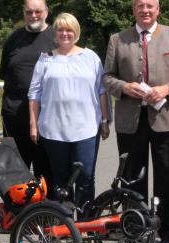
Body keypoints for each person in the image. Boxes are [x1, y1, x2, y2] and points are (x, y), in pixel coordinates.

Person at [103, 0, 169, 243]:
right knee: (132, 177)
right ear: (133, 10)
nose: (145, 10)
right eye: (140, 6)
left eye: (150, 6)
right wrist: (123, 87)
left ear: (158, 9)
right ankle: (134, 229)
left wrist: (167, 89)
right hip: (131, 119)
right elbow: (107, 77)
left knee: (166, 175)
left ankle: (167, 231)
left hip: (166, 118)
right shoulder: (117, 40)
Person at [27, 13, 110, 213]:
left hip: (86, 129)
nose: (65, 34)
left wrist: (106, 120)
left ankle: (86, 221)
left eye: (69, 29)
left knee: (85, 177)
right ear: (55, 33)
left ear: (76, 32)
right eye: (61, 29)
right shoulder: (45, 59)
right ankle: (64, 223)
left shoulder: (91, 58)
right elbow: (34, 93)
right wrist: (33, 123)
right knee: (60, 179)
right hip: (54, 129)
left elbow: (102, 90)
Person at [0, 0, 56, 181]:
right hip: (15, 117)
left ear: (46, 12)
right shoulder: (13, 40)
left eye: (38, 11)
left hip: (49, 118)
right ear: (24, 13)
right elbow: (5, 75)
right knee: (17, 174)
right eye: (29, 12)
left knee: (48, 172)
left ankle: (47, 210)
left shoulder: (57, 38)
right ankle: (20, 211)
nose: (33, 15)